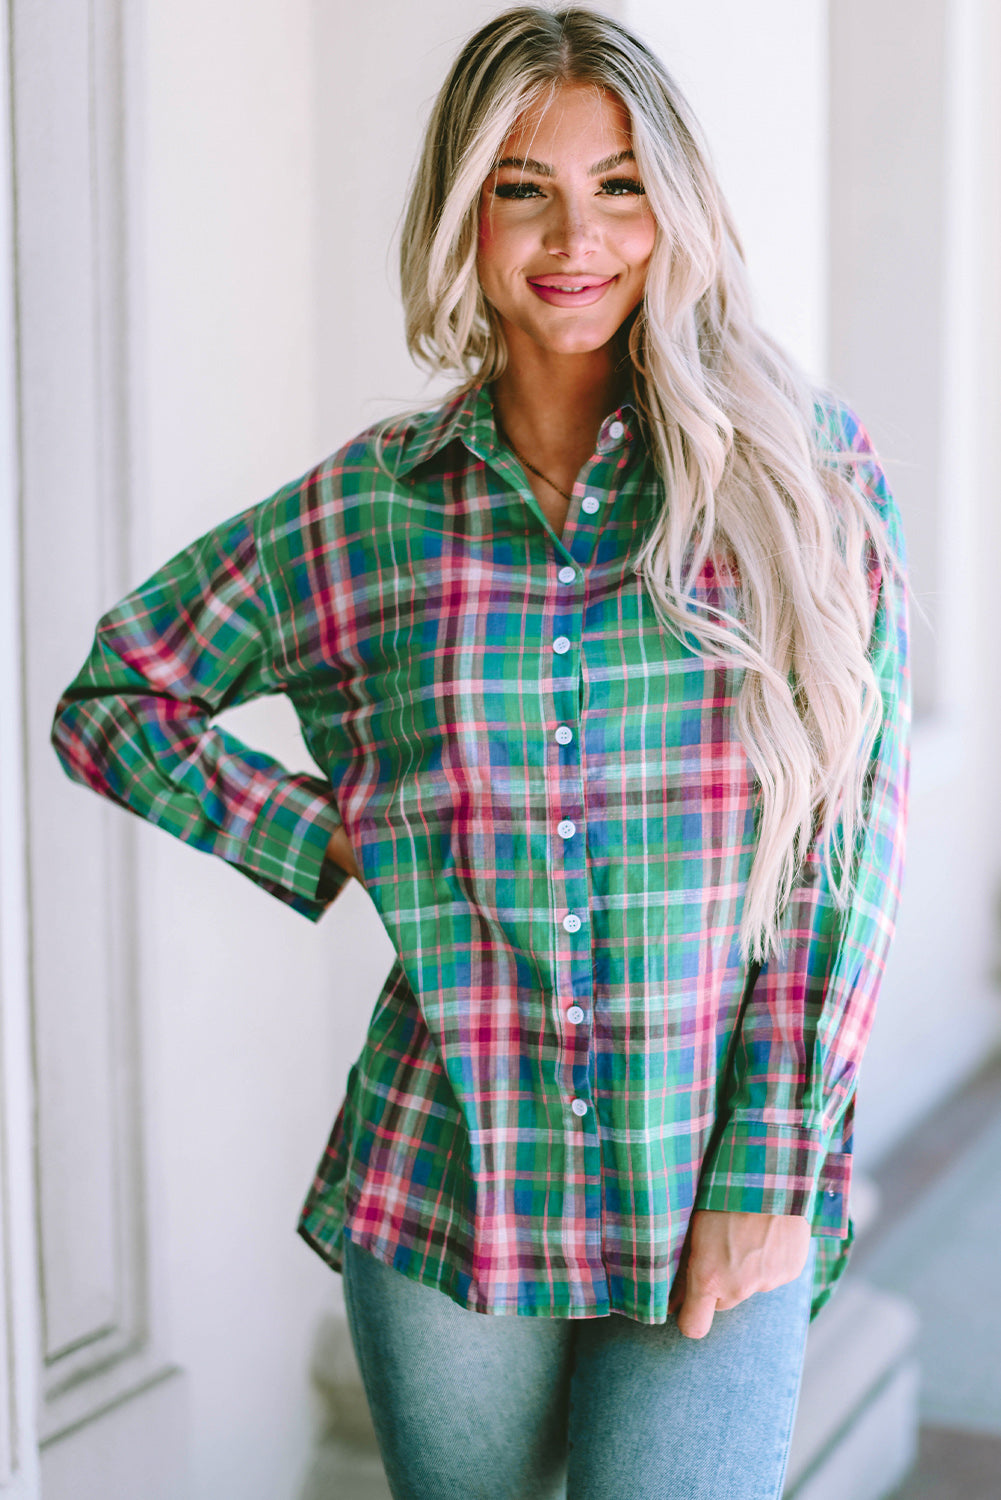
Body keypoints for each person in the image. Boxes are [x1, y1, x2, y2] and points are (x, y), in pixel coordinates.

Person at [50, 6, 911, 1498]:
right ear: (465, 211)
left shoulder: (807, 481)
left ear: (678, 208)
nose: (573, 234)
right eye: (523, 185)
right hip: (446, 1185)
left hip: (712, 1161)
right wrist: (330, 834)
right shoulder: (368, 512)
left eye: (619, 184)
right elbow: (117, 697)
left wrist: (771, 1163)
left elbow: (851, 851)